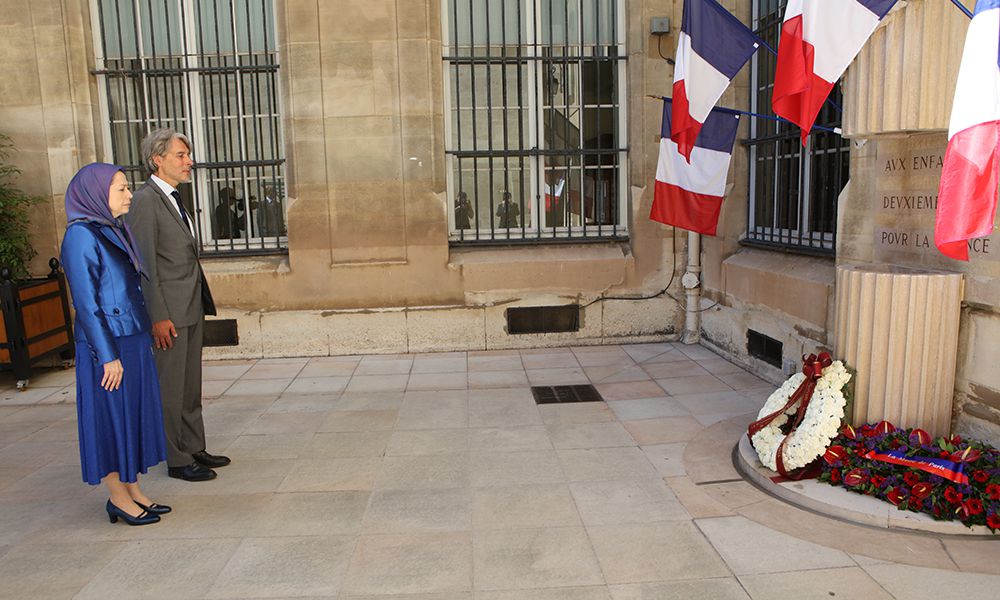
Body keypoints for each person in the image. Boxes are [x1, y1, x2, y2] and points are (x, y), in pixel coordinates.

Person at [60, 163, 169, 526]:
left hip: (132, 338)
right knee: (110, 418)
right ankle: (117, 498)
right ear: (95, 194)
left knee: (131, 415)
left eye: (127, 188)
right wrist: (107, 356)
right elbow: (87, 304)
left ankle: (133, 489)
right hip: (108, 347)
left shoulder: (112, 229)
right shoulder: (80, 236)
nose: (129, 195)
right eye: (121, 189)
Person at [125, 128, 229, 482]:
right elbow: (144, 267)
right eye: (181, 156)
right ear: (158, 159)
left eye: (188, 155)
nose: (190, 162)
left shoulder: (173, 197)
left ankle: (194, 445)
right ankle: (176, 458)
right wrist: (158, 316)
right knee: (170, 388)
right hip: (168, 313)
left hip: (189, 306)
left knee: (189, 384)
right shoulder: (145, 200)